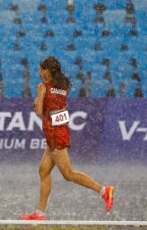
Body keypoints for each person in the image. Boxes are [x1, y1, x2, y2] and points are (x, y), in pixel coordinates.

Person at [21, 57, 114, 220]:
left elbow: (38, 112)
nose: (39, 72)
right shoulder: (62, 86)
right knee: (43, 170)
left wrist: (37, 101)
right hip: (59, 130)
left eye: (41, 69)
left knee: (68, 174)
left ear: (47, 71)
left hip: (54, 134)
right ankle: (40, 213)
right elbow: (59, 110)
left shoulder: (42, 87)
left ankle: (104, 191)